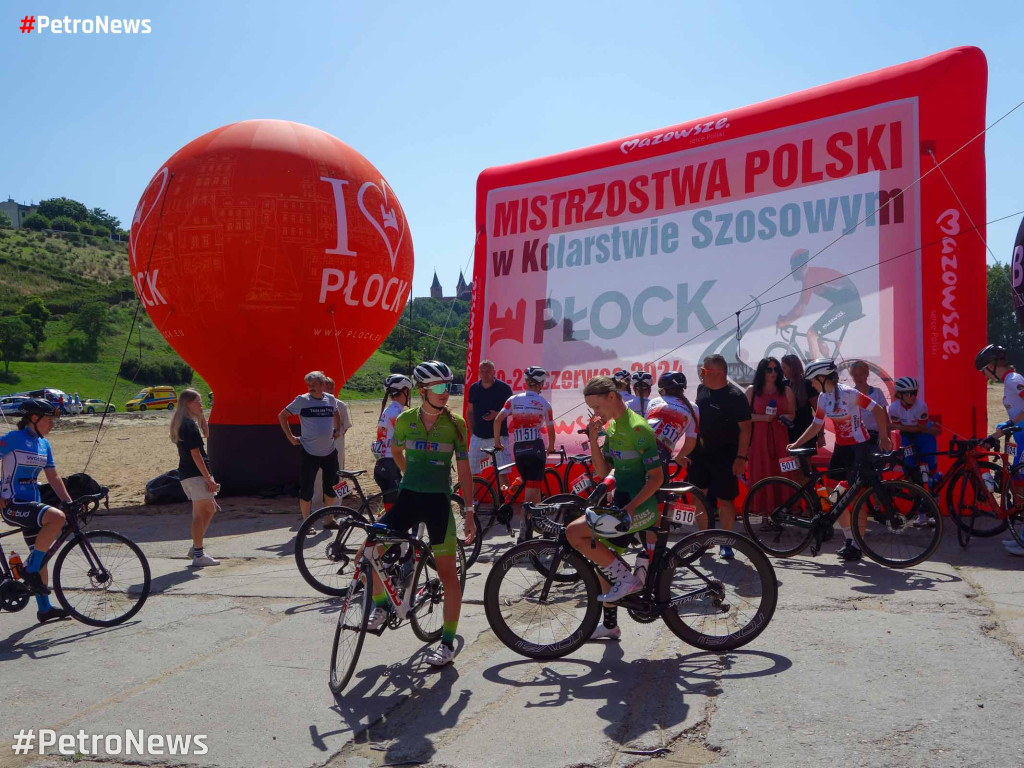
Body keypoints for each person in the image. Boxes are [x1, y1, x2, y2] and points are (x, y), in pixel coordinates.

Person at [368, 360, 476, 666]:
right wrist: (407, 476)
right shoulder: (404, 420)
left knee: (447, 576)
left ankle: (447, 642)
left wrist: (469, 512)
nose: (446, 393)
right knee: (368, 550)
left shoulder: (456, 424)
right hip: (409, 499)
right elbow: (396, 451)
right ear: (422, 390)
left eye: (448, 387)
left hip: (439, 504)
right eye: (439, 388)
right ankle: (380, 606)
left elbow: (465, 472)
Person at [568, 376, 663, 641]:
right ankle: (610, 624)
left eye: (597, 407)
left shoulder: (637, 427)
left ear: (612, 397)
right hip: (623, 503)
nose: (596, 414)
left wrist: (630, 508)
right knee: (604, 562)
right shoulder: (612, 427)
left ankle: (629, 581)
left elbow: (657, 478)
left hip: (640, 506)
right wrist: (593, 436)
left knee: (574, 533)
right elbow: (602, 471)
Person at [788, 358, 892, 562]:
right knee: (832, 496)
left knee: (853, 497)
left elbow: (878, 411)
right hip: (841, 449)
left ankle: (857, 544)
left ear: (822, 377)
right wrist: (796, 444)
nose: (810, 384)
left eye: (812, 380)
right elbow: (816, 426)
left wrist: (884, 437)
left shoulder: (849, 393)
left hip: (858, 448)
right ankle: (848, 539)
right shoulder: (823, 398)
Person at [0, 399, 73, 622]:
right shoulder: (13, 439)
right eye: (49, 420)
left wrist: (69, 502)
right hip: (12, 505)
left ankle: (44, 609)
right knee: (56, 518)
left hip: (33, 504)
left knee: (41, 555)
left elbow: (53, 476)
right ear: (34, 418)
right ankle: (30, 571)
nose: (52, 424)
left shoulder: (44, 444)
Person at [688, 354, 752, 557]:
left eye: (704, 371)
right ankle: (704, 540)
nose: (701, 374)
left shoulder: (736, 396)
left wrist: (741, 458)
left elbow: (746, 430)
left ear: (719, 373)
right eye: (702, 370)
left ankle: (726, 542)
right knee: (699, 497)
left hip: (726, 456)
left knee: (725, 500)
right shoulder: (701, 389)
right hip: (699, 455)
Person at [277, 371, 342, 533]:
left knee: (331, 488)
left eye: (314, 384)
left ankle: (329, 520)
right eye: (309, 385)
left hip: (329, 452)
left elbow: (336, 412)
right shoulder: (302, 400)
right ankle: (306, 523)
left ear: (323, 385)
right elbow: (282, 415)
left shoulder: (330, 399)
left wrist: (337, 429)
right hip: (309, 452)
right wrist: (290, 436)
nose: (311, 387)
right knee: (307, 489)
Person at [974, 344, 1024, 556]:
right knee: (1019, 489)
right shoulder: (1008, 383)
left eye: (984, 370)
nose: (984, 375)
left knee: (1022, 488)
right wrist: (1005, 425)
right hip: (1020, 439)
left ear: (993, 366)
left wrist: (1000, 432)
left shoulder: (1014, 381)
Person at [776, 248, 863, 359]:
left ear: (800, 267)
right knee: (818, 334)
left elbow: (800, 309)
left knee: (811, 334)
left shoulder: (810, 278)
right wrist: (786, 318)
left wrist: (785, 321)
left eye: (794, 269)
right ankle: (828, 366)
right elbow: (800, 305)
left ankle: (815, 372)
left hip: (849, 306)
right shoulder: (811, 275)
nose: (793, 273)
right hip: (845, 303)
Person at [493, 366, 555, 515]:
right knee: (531, 491)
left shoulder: (513, 400)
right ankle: (523, 529)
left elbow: (497, 420)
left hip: (519, 450)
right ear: (541, 384)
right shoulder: (545, 404)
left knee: (533, 486)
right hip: (536, 449)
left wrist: (497, 442)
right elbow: (551, 430)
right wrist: (551, 446)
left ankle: (539, 521)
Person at [171, 389, 220, 567]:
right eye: (197, 402)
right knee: (200, 513)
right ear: (187, 403)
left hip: (190, 474)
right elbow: (195, 453)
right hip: (195, 474)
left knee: (209, 509)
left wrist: (202, 416)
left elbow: (206, 435)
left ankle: (195, 547)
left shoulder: (187, 422)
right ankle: (198, 555)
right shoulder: (187, 425)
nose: (201, 405)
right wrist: (208, 478)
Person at [745, 357, 797, 512]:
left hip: (781, 440)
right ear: (762, 371)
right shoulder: (751, 390)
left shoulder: (786, 390)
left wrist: (784, 418)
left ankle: (784, 512)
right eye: (769, 369)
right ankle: (764, 515)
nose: (773, 373)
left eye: (776, 369)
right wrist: (763, 418)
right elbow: (744, 417)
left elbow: (792, 413)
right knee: (761, 474)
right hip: (758, 441)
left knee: (785, 473)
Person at [888, 376, 942, 522]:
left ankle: (933, 513)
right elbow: (908, 429)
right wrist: (901, 428)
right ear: (899, 394)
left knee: (929, 475)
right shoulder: (893, 408)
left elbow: (920, 428)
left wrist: (898, 426)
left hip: (924, 438)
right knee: (911, 474)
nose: (912, 396)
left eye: (914, 393)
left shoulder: (921, 405)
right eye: (907, 393)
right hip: (908, 438)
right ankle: (921, 513)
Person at [311, 376, 353, 510]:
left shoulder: (340, 404)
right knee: (317, 476)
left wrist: (336, 437)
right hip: (318, 447)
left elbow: (345, 426)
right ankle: (317, 506)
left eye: (330, 388)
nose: (328, 390)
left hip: (336, 446)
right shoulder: (314, 404)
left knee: (337, 475)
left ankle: (336, 505)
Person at [645, 371, 699, 473]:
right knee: (657, 487)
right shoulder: (694, 408)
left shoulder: (653, 401)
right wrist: (679, 457)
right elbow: (690, 442)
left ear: (664, 390)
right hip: (660, 452)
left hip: (637, 445)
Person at [466, 360, 512, 476]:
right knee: (472, 472)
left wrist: (497, 414)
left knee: (502, 472)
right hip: (478, 436)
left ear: (494, 372)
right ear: (479, 372)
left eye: (488, 372)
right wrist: (472, 433)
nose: (485, 374)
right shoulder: (474, 388)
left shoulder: (504, 388)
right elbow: (470, 412)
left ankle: (502, 494)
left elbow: (513, 410)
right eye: (482, 371)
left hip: (499, 436)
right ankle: (473, 494)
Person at [372, 374, 413, 493]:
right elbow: (406, 438)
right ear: (405, 391)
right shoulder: (396, 412)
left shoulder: (390, 409)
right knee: (396, 502)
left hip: (385, 460)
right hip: (390, 461)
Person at [781, 354, 819, 448]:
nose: (782, 371)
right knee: (790, 459)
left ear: (793, 368)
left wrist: (821, 434)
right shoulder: (784, 384)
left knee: (805, 460)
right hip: (788, 430)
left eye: (784, 368)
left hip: (805, 429)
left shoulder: (807, 384)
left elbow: (818, 410)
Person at [849, 360, 888, 446]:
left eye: (861, 374)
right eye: (855, 375)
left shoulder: (877, 392)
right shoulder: (849, 394)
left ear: (867, 374)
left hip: (876, 436)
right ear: (852, 376)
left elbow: (885, 418)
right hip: (857, 437)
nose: (858, 378)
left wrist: (886, 437)